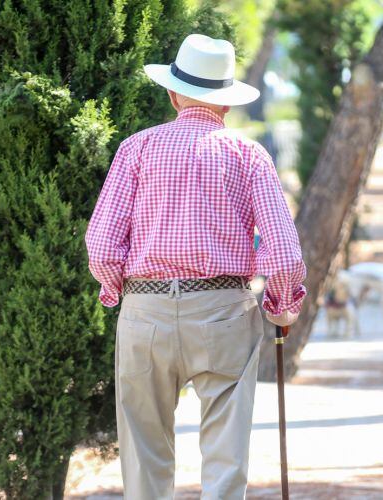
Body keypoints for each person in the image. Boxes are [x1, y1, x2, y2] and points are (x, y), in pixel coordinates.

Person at [86, 34, 306, 499]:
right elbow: (284, 254)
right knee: (226, 457)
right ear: (225, 104)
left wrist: (117, 291)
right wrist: (282, 303)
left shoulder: (136, 149)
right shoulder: (248, 155)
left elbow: (103, 247)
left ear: (172, 93)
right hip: (225, 311)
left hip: (145, 311)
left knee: (145, 453)